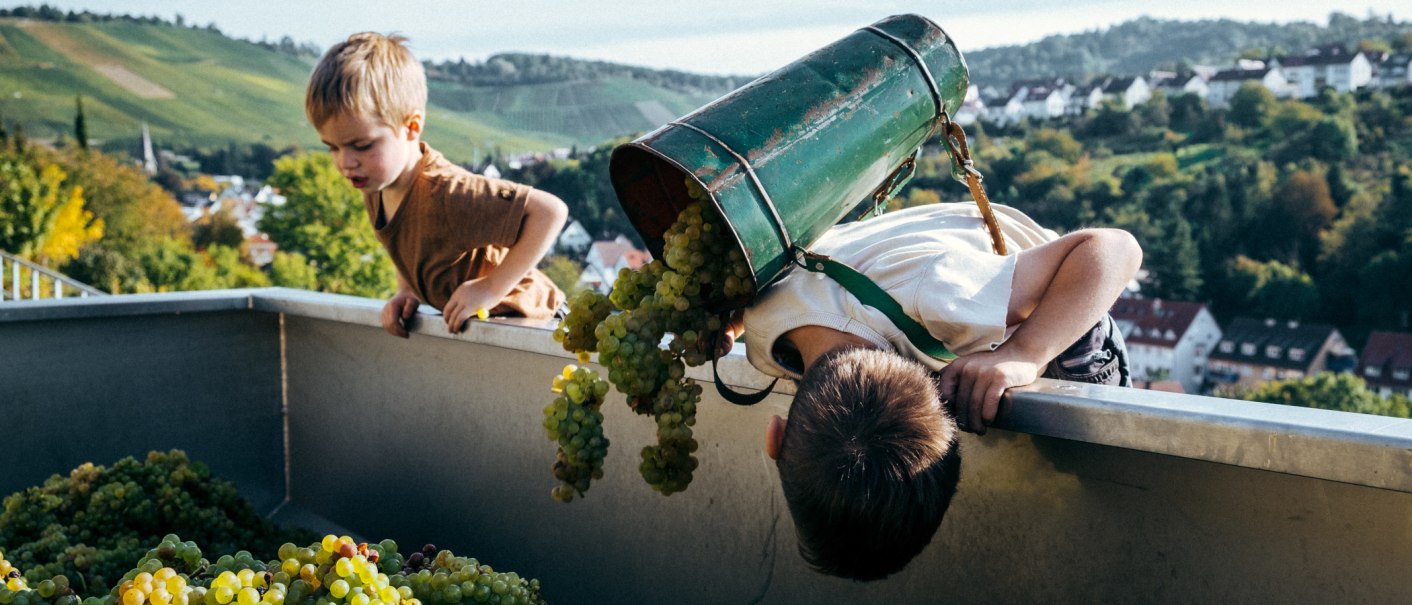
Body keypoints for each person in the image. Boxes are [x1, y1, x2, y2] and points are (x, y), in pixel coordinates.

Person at [722, 200, 1141, 581]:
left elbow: (1115, 248)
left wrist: (1025, 352)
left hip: (1053, 295)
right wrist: (728, 326)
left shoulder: (943, 300)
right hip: (905, 275)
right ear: (774, 436)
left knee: (1099, 459)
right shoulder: (763, 319)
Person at [304, 33, 568, 337]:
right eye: (332, 147)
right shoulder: (375, 187)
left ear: (412, 127)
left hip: (544, 325)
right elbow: (409, 245)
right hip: (492, 336)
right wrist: (408, 291)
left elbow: (550, 212)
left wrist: (491, 288)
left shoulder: (446, 192)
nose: (345, 162)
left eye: (361, 145)